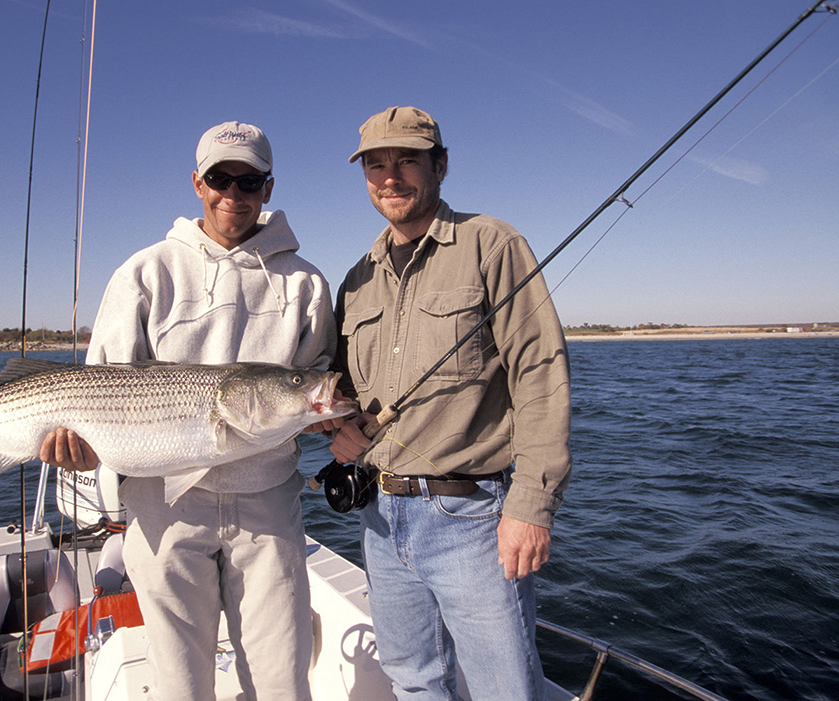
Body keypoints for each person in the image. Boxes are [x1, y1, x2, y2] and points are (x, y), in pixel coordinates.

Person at [40, 121, 342, 700]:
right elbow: (96, 387)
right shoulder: (145, 271)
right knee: (180, 685)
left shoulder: (305, 284)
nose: (234, 193)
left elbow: (317, 379)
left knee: (283, 681)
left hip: (268, 503)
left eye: (248, 180)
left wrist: (324, 412)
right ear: (197, 184)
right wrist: (72, 446)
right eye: (220, 179)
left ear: (268, 188)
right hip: (162, 510)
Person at [329, 106, 572, 700]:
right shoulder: (356, 279)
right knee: (413, 682)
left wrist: (531, 505)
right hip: (380, 519)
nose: (391, 177)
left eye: (407, 160)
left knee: (506, 689)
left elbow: (540, 373)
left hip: (472, 518)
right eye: (376, 165)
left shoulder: (493, 243)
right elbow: (345, 392)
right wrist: (337, 426)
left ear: (439, 166)